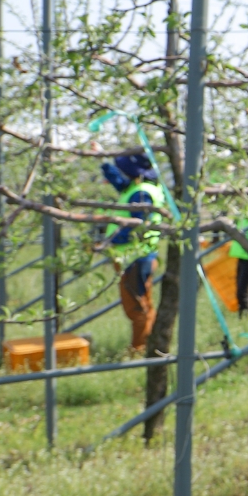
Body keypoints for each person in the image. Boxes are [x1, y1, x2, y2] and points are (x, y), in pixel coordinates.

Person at [100, 150, 165, 351]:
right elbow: (119, 183)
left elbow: (138, 225)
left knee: (137, 305)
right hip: (134, 256)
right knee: (140, 302)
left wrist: (110, 241)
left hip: (135, 256)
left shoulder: (141, 193)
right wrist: (103, 162)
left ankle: (140, 348)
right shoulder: (138, 188)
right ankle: (145, 344)